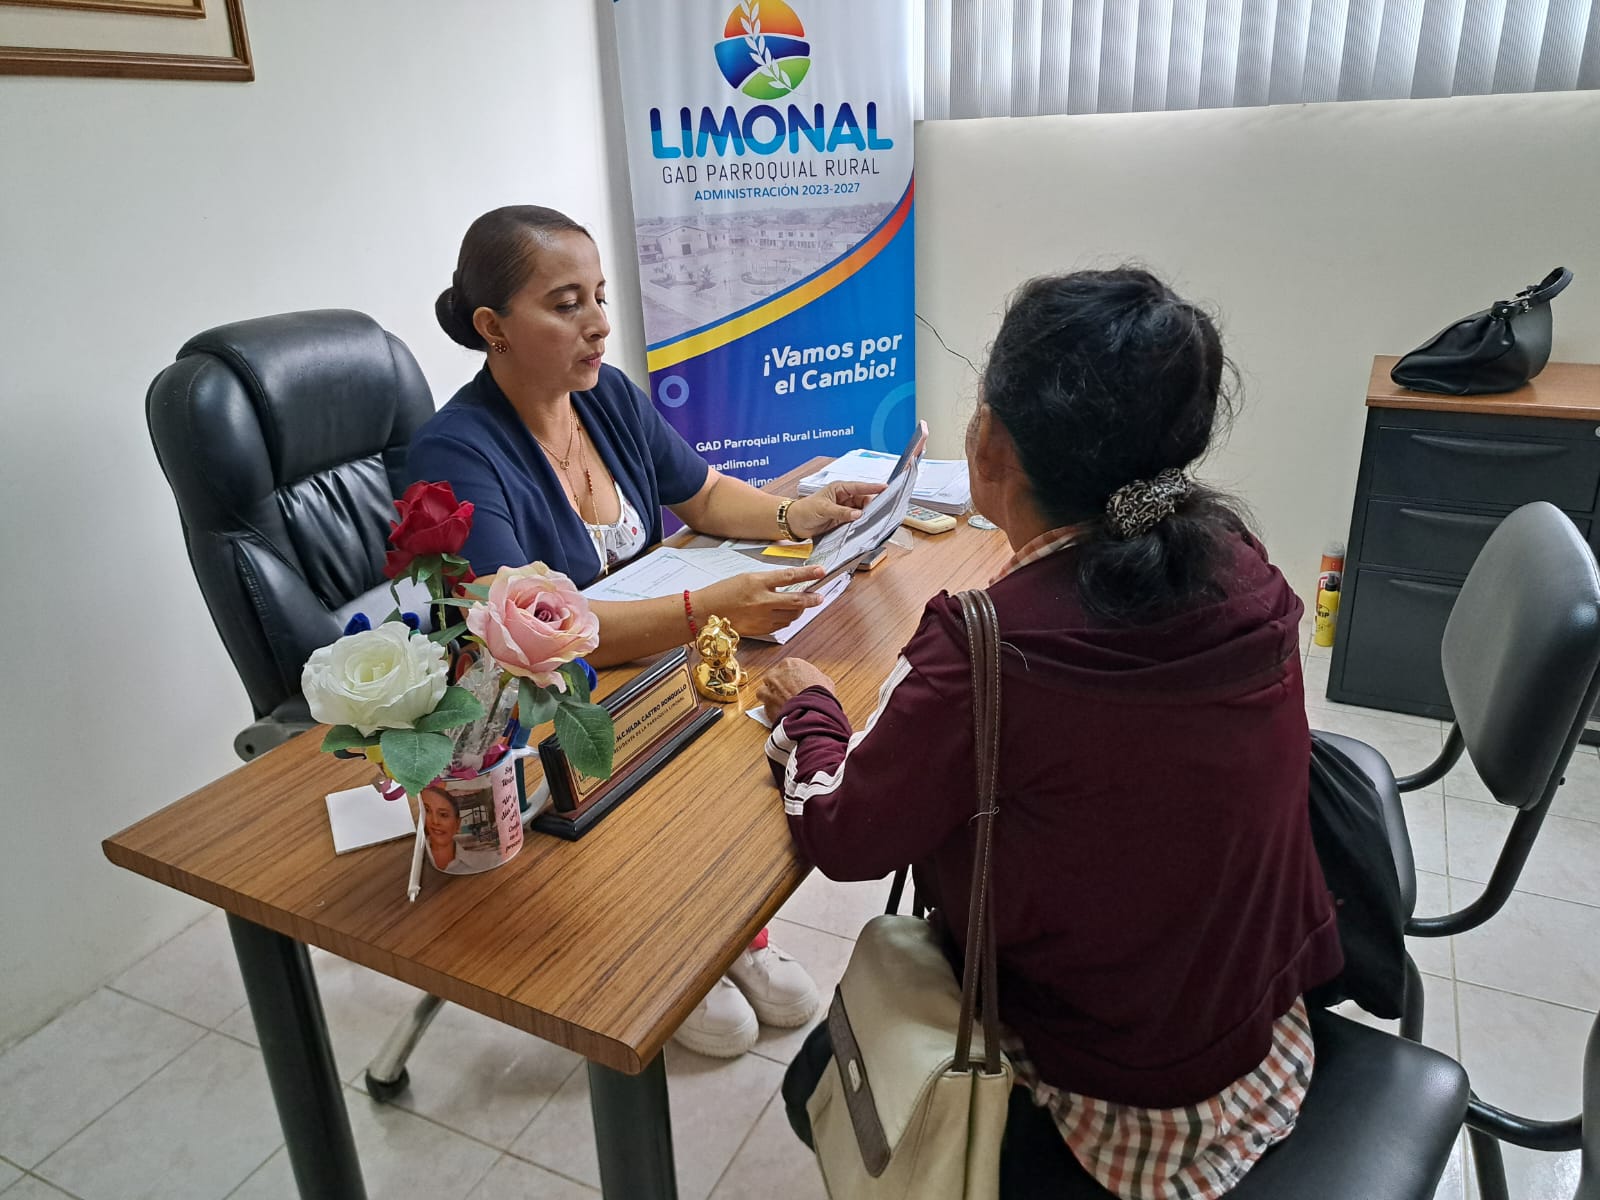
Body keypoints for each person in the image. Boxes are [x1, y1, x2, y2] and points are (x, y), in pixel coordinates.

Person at [759, 268, 1344, 1198]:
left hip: (1114, 1097)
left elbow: (845, 837)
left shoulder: (990, 653)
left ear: (991, 441)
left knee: (817, 1078)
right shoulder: (1244, 570)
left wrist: (812, 708)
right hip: (1261, 1029)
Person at [410, 205, 878, 1057]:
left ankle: (730, 930)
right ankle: (658, 941)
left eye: (597, 296)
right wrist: (710, 609)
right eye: (566, 305)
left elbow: (703, 494)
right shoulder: (455, 453)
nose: (598, 323)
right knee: (689, 752)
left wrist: (793, 512)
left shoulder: (607, 397)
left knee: (742, 740)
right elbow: (524, 637)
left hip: (650, 673)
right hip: (542, 708)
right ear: (493, 327)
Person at [420, 785, 503, 875]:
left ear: (458, 823)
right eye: (427, 810)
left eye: (443, 814)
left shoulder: (487, 860)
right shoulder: (419, 856)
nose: (435, 821)